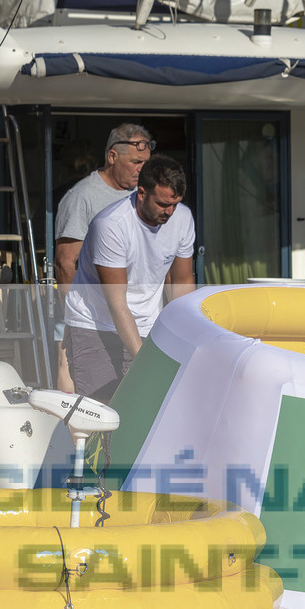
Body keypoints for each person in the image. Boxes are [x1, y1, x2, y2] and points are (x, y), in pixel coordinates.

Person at [61, 156, 195, 402]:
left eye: (175, 204)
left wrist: (188, 338)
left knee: (144, 410)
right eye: (163, 204)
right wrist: (144, 361)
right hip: (96, 325)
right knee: (100, 412)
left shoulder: (183, 219)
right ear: (141, 193)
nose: (170, 212)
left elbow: (182, 283)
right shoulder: (111, 225)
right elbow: (117, 303)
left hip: (147, 324)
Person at [52, 124, 153, 391]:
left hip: (135, 317)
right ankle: (72, 434)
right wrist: (75, 316)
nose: (141, 169)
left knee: (130, 388)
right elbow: (66, 262)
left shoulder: (143, 197)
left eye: (145, 162)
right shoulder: (82, 197)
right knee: (82, 386)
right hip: (89, 318)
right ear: (112, 157)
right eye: (135, 162)